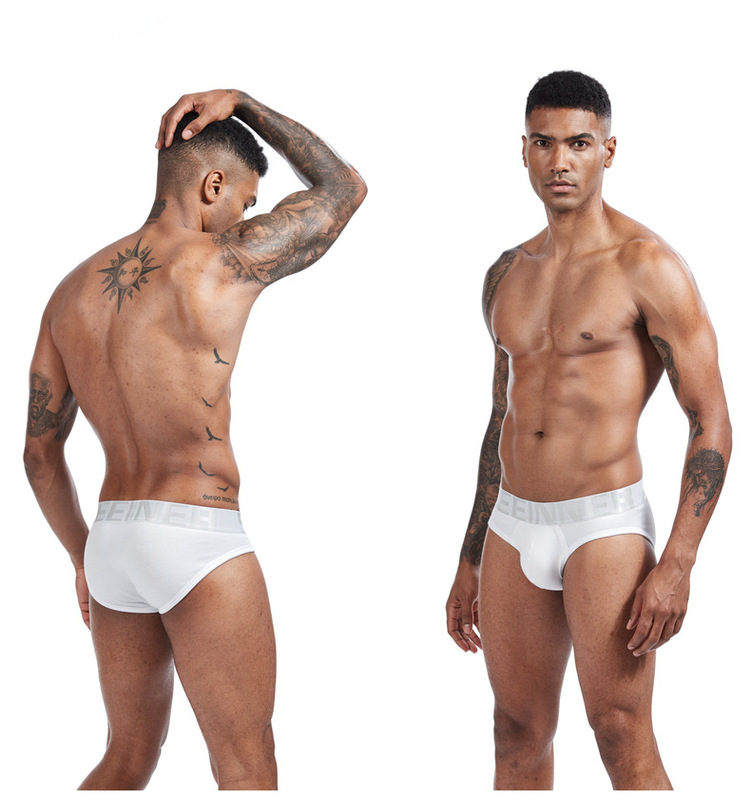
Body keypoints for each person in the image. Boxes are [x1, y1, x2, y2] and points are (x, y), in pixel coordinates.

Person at [24, 88, 366, 790]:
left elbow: (38, 456)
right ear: (213, 185)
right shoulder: (221, 262)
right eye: (244, 201)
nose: (244, 216)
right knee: (246, 766)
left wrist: (82, 557)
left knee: (126, 758)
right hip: (196, 535)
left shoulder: (68, 293)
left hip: (112, 543)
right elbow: (344, 189)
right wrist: (244, 102)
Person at [445, 71, 731, 790]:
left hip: (602, 526)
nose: (559, 161)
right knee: (515, 732)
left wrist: (678, 564)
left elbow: (710, 420)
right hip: (513, 527)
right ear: (523, 150)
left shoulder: (648, 266)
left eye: (578, 143)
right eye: (543, 143)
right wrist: (470, 555)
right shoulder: (505, 274)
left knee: (618, 732)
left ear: (608, 150)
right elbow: (502, 416)